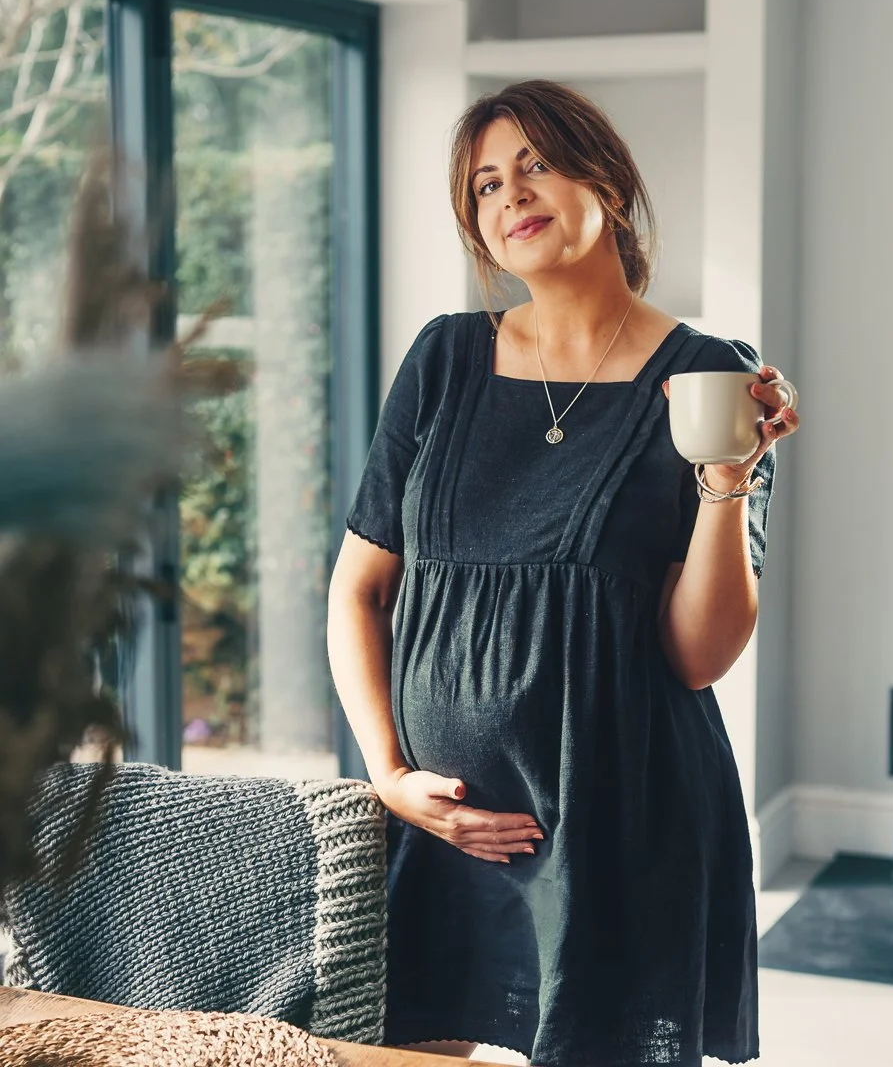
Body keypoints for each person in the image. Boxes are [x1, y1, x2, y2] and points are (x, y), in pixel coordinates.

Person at [327, 79, 800, 1067]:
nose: (511, 194)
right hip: (445, 824)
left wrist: (729, 480)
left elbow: (699, 657)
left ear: (606, 185)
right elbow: (359, 591)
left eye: (535, 164)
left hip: (620, 826)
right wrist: (389, 776)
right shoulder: (444, 359)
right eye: (485, 184)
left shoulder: (711, 374)